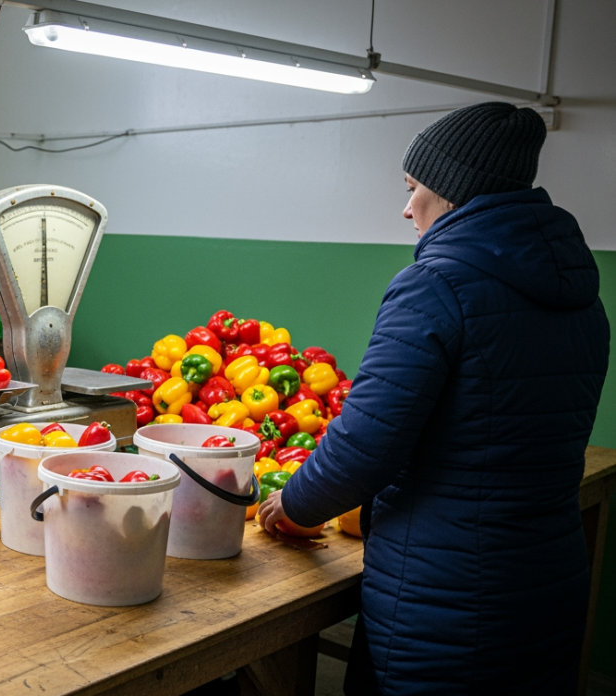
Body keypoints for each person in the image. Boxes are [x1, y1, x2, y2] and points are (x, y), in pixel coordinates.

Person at [257, 102, 610, 694]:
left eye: (413, 187)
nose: (406, 206)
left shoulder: (436, 283)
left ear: (452, 192)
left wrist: (292, 508)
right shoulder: (582, 297)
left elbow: (364, 447)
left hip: (449, 601)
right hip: (547, 585)